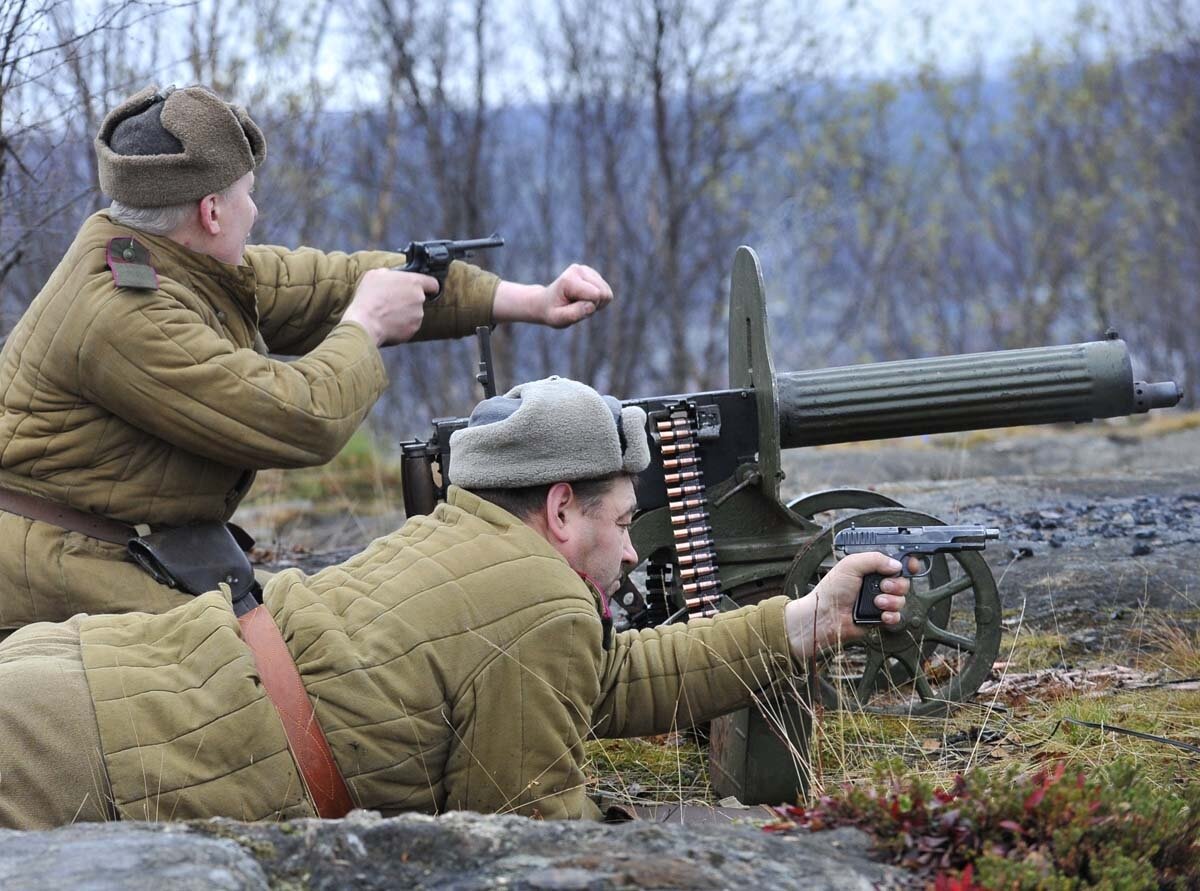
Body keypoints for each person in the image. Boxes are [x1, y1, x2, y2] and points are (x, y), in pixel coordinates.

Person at [0, 376, 910, 829]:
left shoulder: (468, 538)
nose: (633, 548)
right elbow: (521, 827)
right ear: (560, 507)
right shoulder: (545, 608)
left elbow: (607, 675)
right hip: (91, 755)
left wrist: (809, 620)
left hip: (82, 672)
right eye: (623, 520)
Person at [0, 85, 613, 635]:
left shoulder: (160, 256)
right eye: (248, 196)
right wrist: (364, 327)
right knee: (277, 678)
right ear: (211, 212)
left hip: (109, 544)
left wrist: (528, 300)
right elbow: (294, 417)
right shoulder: (123, 313)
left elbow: (323, 282)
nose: (255, 213)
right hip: (61, 569)